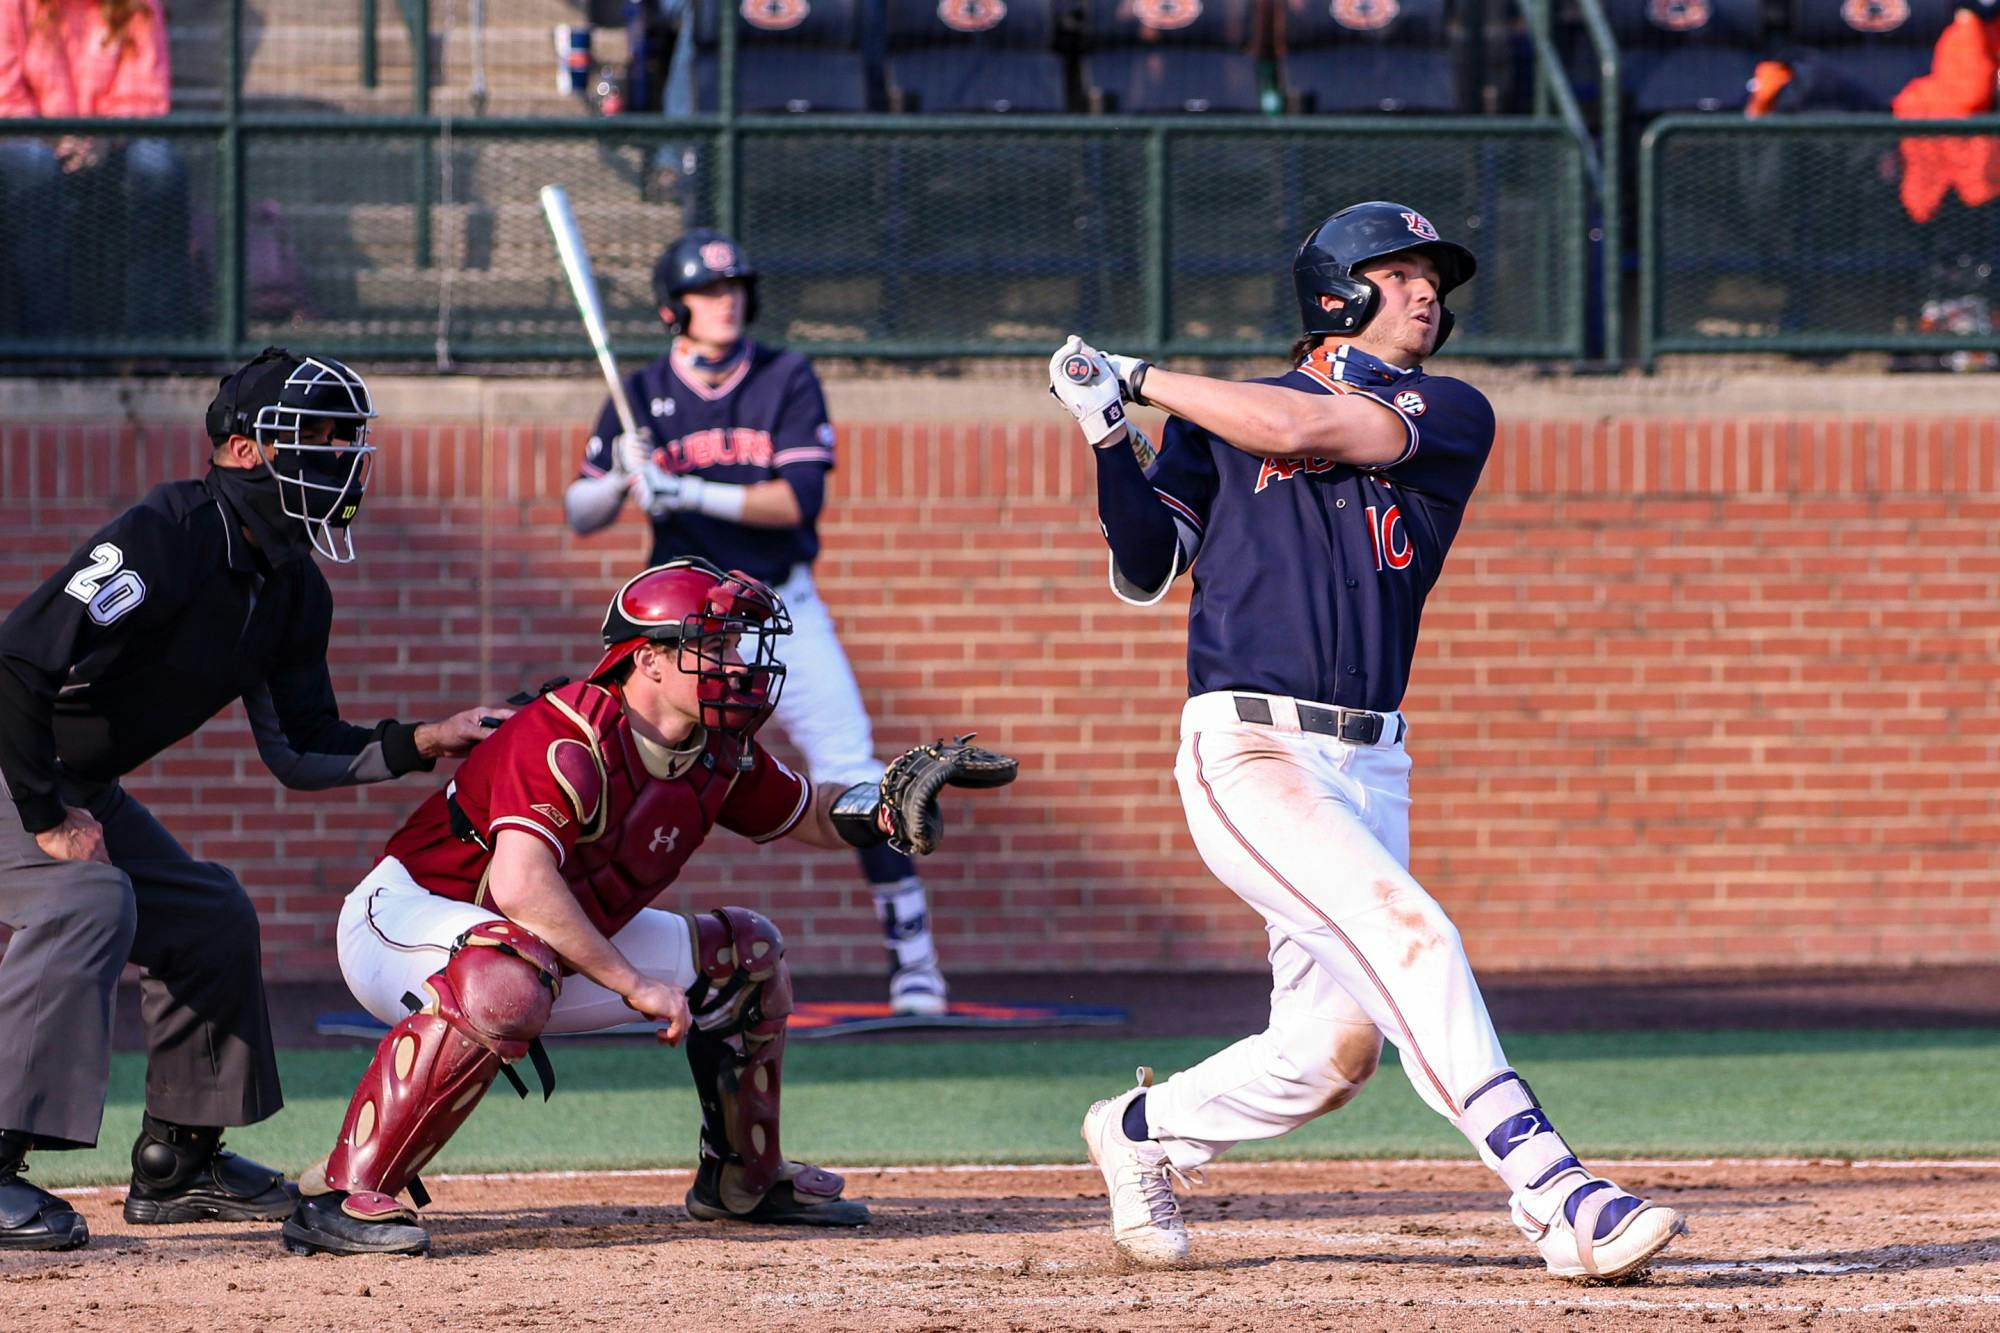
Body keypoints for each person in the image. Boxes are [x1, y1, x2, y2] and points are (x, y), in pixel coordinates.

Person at [1046, 202, 1689, 1282]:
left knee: (1327, 1054)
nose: (1427, 291)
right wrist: (1108, 431)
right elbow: (1146, 566)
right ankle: (1555, 1194)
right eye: (1398, 273)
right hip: (1249, 750)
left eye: (1431, 275)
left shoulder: (1448, 409)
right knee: (1413, 934)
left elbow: (1304, 431)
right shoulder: (1218, 418)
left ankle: (1142, 1128)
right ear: (1335, 293)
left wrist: (1138, 374)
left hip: (1369, 756)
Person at [277, 559, 1016, 1256]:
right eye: (714, 644)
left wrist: (886, 804)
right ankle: (344, 1192)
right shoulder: (569, 731)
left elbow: (811, 813)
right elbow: (523, 885)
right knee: (509, 968)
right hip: (404, 915)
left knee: (747, 955)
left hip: (530, 946)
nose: (735, 663)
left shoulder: (716, 748)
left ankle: (741, 1181)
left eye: (733, 643)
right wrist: (634, 982)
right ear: (649, 659)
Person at [0, 348, 510, 1251]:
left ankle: (178, 1164)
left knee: (211, 916)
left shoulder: (292, 586)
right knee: (87, 897)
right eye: (312, 438)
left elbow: (302, 745)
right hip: (16, 765)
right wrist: (45, 817)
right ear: (242, 450)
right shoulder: (166, 533)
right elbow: (15, 659)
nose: (339, 458)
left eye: (346, 440)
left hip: (70, 783)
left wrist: (427, 739)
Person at [564, 230, 952, 1016]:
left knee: (853, 767)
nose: (727, 300)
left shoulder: (784, 377)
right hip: (681, 638)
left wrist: (690, 490)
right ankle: (577, 952)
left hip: (783, 610)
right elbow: (579, 510)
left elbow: (796, 502)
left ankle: (915, 961)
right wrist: (624, 485)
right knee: (611, 770)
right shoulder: (637, 392)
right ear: (675, 308)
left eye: (736, 286)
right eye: (710, 292)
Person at [0, 0, 190, 337]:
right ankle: (48, 345)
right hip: (33, 139)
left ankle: (152, 345)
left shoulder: (138, 6)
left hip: (114, 141)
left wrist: (103, 138)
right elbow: (7, 92)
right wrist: (54, 140)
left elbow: (144, 96)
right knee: (32, 164)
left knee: (157, 166)